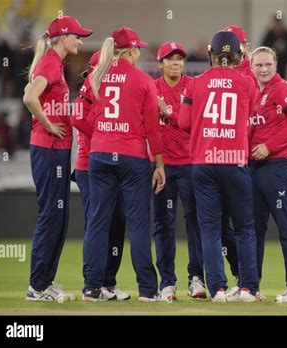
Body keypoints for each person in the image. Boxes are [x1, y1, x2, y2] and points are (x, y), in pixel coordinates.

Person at [82, 28, 165, 302]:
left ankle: (92, 288)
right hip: (132, 157)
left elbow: (85, 115)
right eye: (137, 48)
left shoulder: (96, 76)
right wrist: (160, 164)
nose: (140, 52)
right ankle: (147, 290)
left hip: (100, 155)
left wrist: (105, 136)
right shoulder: (144, 80)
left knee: (97, 222)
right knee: (139, 224)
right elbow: (153, 128)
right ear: (130, 51)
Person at [178, 31, 259, 302]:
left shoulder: (196, 83)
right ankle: (248, 287)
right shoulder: (247, 83)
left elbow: (183, 123)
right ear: (239, 55)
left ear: (212, 54)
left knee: (210, 229)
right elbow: (252, 116)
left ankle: (218, 289)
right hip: (235, 160)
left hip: (203, 162)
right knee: (245, 227)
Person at [23, 15, 92, 302]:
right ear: (63, 37)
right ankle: (36, 287)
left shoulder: (55, 63)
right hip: (48, 149)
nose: (80, 40)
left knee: (59, 218)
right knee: (51, 216)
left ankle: (45, 282)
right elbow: (29, 96)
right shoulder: (50, 62)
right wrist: (49, 125)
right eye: (77, 36)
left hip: (57, 151)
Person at [248, 46, 287, 303]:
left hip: (280, 166)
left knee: (286, 226)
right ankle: (251, 286)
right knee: (253, 228)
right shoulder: (250, 90)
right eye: (258, 65)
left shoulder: (282, 88)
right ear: (251, 67)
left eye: (268, 65)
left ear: (276, 65)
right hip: (253, 167)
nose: (263, 69)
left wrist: (268, 146)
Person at [71, 51, 129, 300]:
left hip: (105, 166)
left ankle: (107, 283)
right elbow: (78, 121)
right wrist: (104, 137)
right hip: (89, 167)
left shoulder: (103, 96)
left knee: (115, 225)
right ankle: (93, 283)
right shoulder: (89, 96)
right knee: (99, 225)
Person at [152, 42, 206, 300]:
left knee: (195, 222)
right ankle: (167, 282)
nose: (176, 63)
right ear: (160, 63)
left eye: (180, 59)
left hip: (190, 163)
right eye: (170, 59)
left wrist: (168, 112)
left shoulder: (194, 86)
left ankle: (196, 278)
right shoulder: (151, 88)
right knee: (164, 223)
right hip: (162, 166)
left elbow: (195, 124)